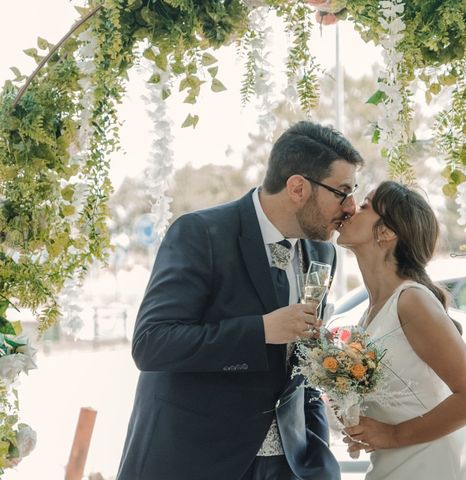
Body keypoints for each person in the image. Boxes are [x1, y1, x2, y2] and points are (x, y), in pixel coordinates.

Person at [116, 121, 364, 480]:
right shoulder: (201, 234)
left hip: (289, 464)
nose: (351, 206)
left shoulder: (322, 253)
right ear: (297, 187)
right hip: (197, 459)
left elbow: (305, 363)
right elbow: (152, 343)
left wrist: (317, 452)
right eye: (342, 191)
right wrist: (261, 330)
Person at [337, 180, 466, 479]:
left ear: (386, 231)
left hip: (433, 464)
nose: (349, 209)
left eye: (364, 206)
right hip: (393, 464)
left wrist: (394, 435)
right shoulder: (371, 312)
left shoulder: (412, 301)